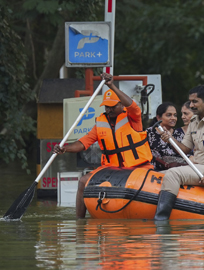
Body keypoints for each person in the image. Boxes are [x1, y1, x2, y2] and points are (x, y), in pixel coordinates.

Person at [53, 73, 152, 219]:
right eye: (106, 107)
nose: (109, 110)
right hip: (111, 168)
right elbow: (83, 143)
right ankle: (79, 223)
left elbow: (132, 105)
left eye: (112, 106)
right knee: (82, 182)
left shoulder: (133, 117)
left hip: (138, 166)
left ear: (120, 104)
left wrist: (111, 85)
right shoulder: (100, 123)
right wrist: (65, 148)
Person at [154, 85, 204, 220]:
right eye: (190, 101)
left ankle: (161, 222)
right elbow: (185, 149)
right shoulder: (194, 122)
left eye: (195, 101)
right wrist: (170, 139)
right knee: (157, 175)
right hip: (197, 168)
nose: (191, 105)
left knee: (173, 174)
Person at [147, 102, 188, 171]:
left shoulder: (179, 134)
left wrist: (171, 139)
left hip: (178, 171)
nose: (173, 118)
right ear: (158, 117)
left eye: (175, 115)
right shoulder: (149, 133)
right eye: (169, 115)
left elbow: (185, 154)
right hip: (156, 172)